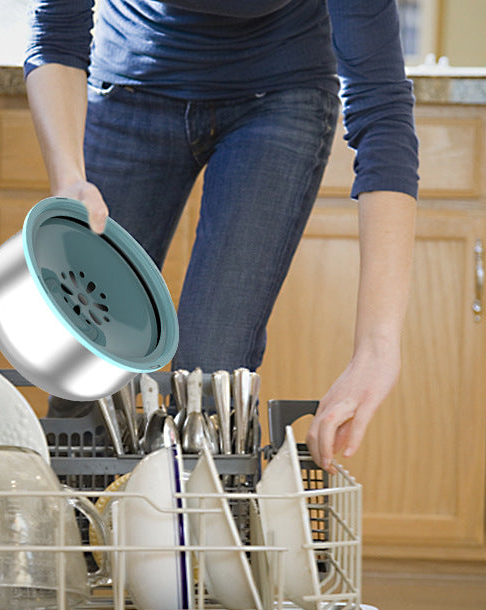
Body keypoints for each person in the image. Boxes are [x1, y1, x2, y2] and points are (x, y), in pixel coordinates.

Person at [23, 0, 418, 476]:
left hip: (280, 90)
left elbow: (381, 109)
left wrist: (377, 350)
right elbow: (57, 31)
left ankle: (193, 520)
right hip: (131, 81)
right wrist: (69, 181)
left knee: (209, 382)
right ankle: (81, 517)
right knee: (85, 359)